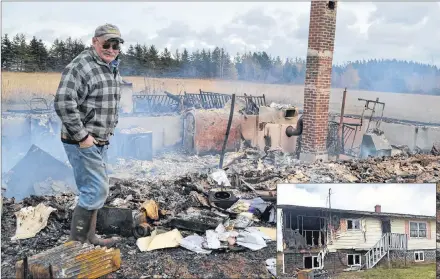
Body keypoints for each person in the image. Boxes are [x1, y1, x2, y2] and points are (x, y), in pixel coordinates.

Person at [54, 23, 125, 247]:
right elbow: (63, 102)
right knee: (95, 189)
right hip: (82, 141)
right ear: (95, 41)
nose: (111, 49)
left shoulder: (110, 67)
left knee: (96, 189)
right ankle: (76, 243)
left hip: (99, 141)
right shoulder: (80, 66)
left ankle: (90, 237)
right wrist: (83, 137)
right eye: (107, 44)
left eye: (116, 46)